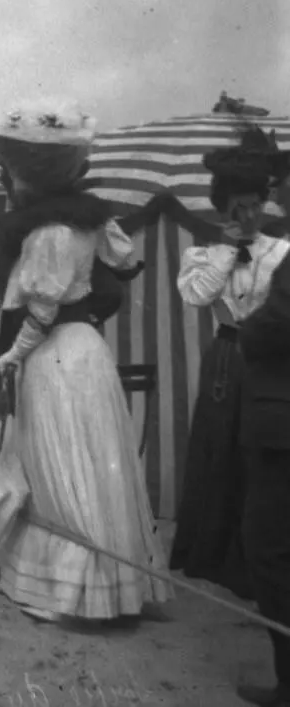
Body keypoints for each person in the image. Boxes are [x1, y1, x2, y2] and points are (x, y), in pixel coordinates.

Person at [0, 102, 170, 623]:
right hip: (84, 350)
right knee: (82, 462)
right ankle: (102, 583)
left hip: (53, 354)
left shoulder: (50, 230)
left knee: (57, 467)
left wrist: (11, 355)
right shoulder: (90, 218)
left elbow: (40, 310)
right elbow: (123, 265)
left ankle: (74, 590)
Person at [171, 124, 287, 600]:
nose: (249, 213)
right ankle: (213, 556)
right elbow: (197, 296)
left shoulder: (282, 252)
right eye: (237, 206)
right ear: (223, 209)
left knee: (255, 459)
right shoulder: (203, 255)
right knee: (219, 448)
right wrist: (226, 253)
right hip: (224, 358)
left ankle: (251, 566)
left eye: (255, 204)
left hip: (268, 360)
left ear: (266, 202)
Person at [234, 144, 290, 707]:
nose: (275, 197)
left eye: (279, 188)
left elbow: (278, 323)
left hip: (282, 421)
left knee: (271, 548)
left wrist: (247, 331)